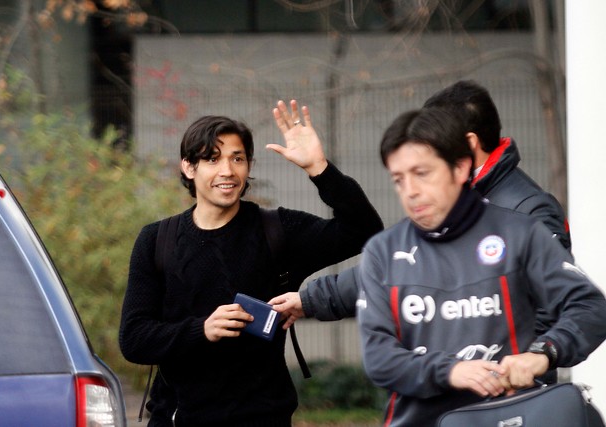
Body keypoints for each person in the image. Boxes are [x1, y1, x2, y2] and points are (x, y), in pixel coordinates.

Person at [118, 100, 383, 426]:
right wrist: (202, 329)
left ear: (248, 166)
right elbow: (134, 340)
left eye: (237, 159)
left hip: (263, 417)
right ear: (188, 167)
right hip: (177, 417)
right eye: (212, 159)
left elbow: (365, 231)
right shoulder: (157, 240)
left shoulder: (277, 230)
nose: (227, 171)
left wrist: (319, 168)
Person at [357, 107, 606, 426]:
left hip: (511, 416)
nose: (411, 191)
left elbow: (590, 307)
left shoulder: (520, 234)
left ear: (460, 167)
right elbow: (379, 357)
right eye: (398, 179)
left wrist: (543, 353)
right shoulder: (383, 251)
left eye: (422, 173)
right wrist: (451, 370)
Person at [270, 80, 571, 333]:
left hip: (505, 396)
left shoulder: (529, 210)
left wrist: (515, 363)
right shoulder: (447, 199)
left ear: (469, 143)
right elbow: (397, 265)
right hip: (443, 386)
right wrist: (309, 300)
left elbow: (560, 308)